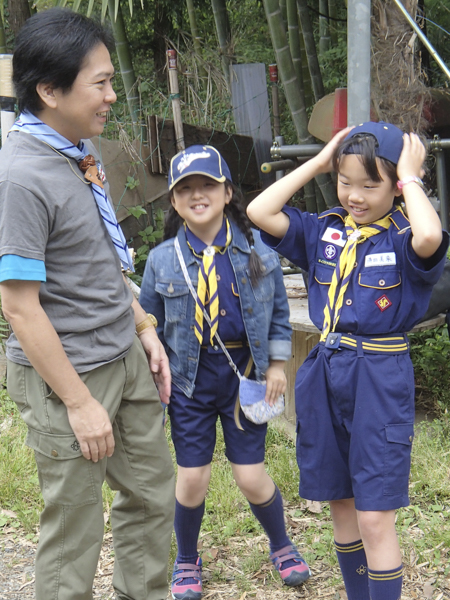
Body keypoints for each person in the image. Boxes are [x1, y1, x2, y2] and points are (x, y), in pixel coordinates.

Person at [0, 8, 175, 600]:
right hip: (68, 375)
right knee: (75, 531)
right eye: (98, 82)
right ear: (49, 90)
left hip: (122, 355)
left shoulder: (76, 152)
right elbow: (19, 306)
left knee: (152, 497)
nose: (111, 94)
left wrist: (142, 326)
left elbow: (97, 259)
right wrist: (77, 403)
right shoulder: (22, 176)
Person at [246, 122, 448, 600]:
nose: (355, 195)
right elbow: (259, 211)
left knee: (375, 513)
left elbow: (429, 237)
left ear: (396, 186)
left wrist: (412, 179)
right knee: (340, 501)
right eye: (345, 182)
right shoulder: (325, 230)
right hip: (325, 372)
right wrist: (318, 163)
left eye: (370, 184)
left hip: (378, 375)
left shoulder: (401, 237)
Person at [139, 145, 311, 600]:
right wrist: (151, 371)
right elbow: (148, 324)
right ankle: (186, 558)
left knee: (250, 476)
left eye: (207, 185)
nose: (198, 195)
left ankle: (281, 543)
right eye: (186, 189)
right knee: (192, 477)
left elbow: (278, 314)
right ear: (174, 201)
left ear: (227, 191)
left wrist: (277, 364)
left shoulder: (258, 252)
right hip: (188, 383)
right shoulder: (161, 261)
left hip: (244, 376)